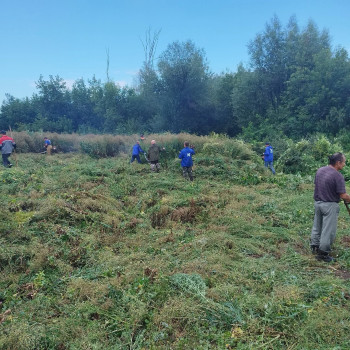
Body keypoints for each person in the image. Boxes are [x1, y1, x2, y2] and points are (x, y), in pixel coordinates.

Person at [310, 152, 350, 262]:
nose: (344, 165)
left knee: (317, 225)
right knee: (328, 230)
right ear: (338, 162)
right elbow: (343, 195)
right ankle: (323, 254)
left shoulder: (320, 170)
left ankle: (315, 246)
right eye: (344, 162)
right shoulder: (338, 176)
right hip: (329, 205)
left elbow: (318, 185)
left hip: (318, 203)